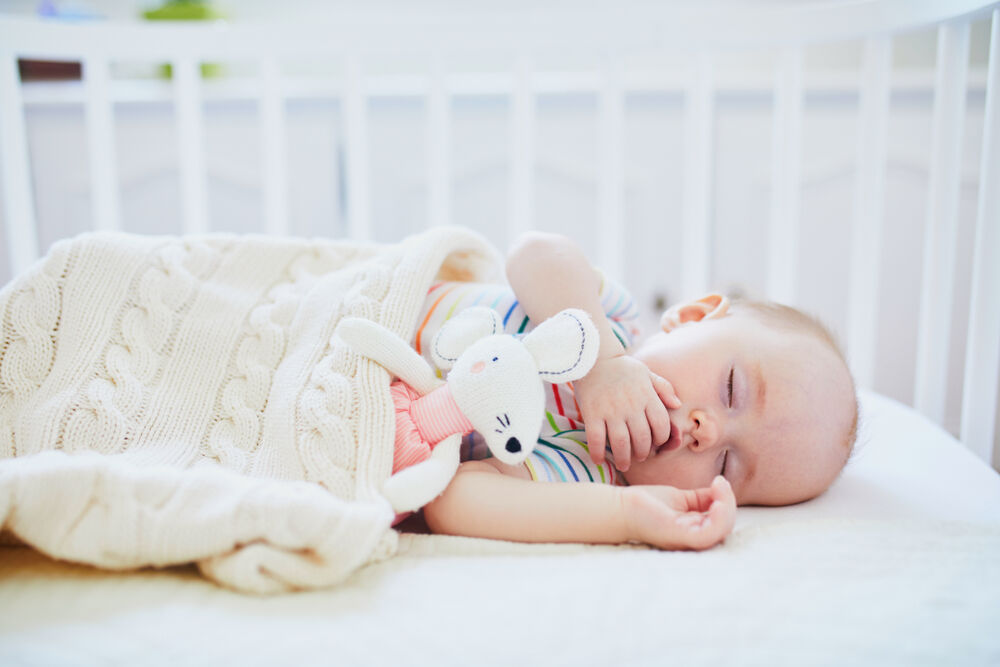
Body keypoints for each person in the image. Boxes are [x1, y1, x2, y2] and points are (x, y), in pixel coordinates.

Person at [411, 231, 858, 550]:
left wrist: (626, 513)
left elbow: (450, 501)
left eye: (728, 466)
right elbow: (534, 253)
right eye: (731, 388)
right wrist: (599, 363)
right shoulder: (609, 321)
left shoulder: (585, 473)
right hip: (387, 310)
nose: (709, 432)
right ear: (691, 317)